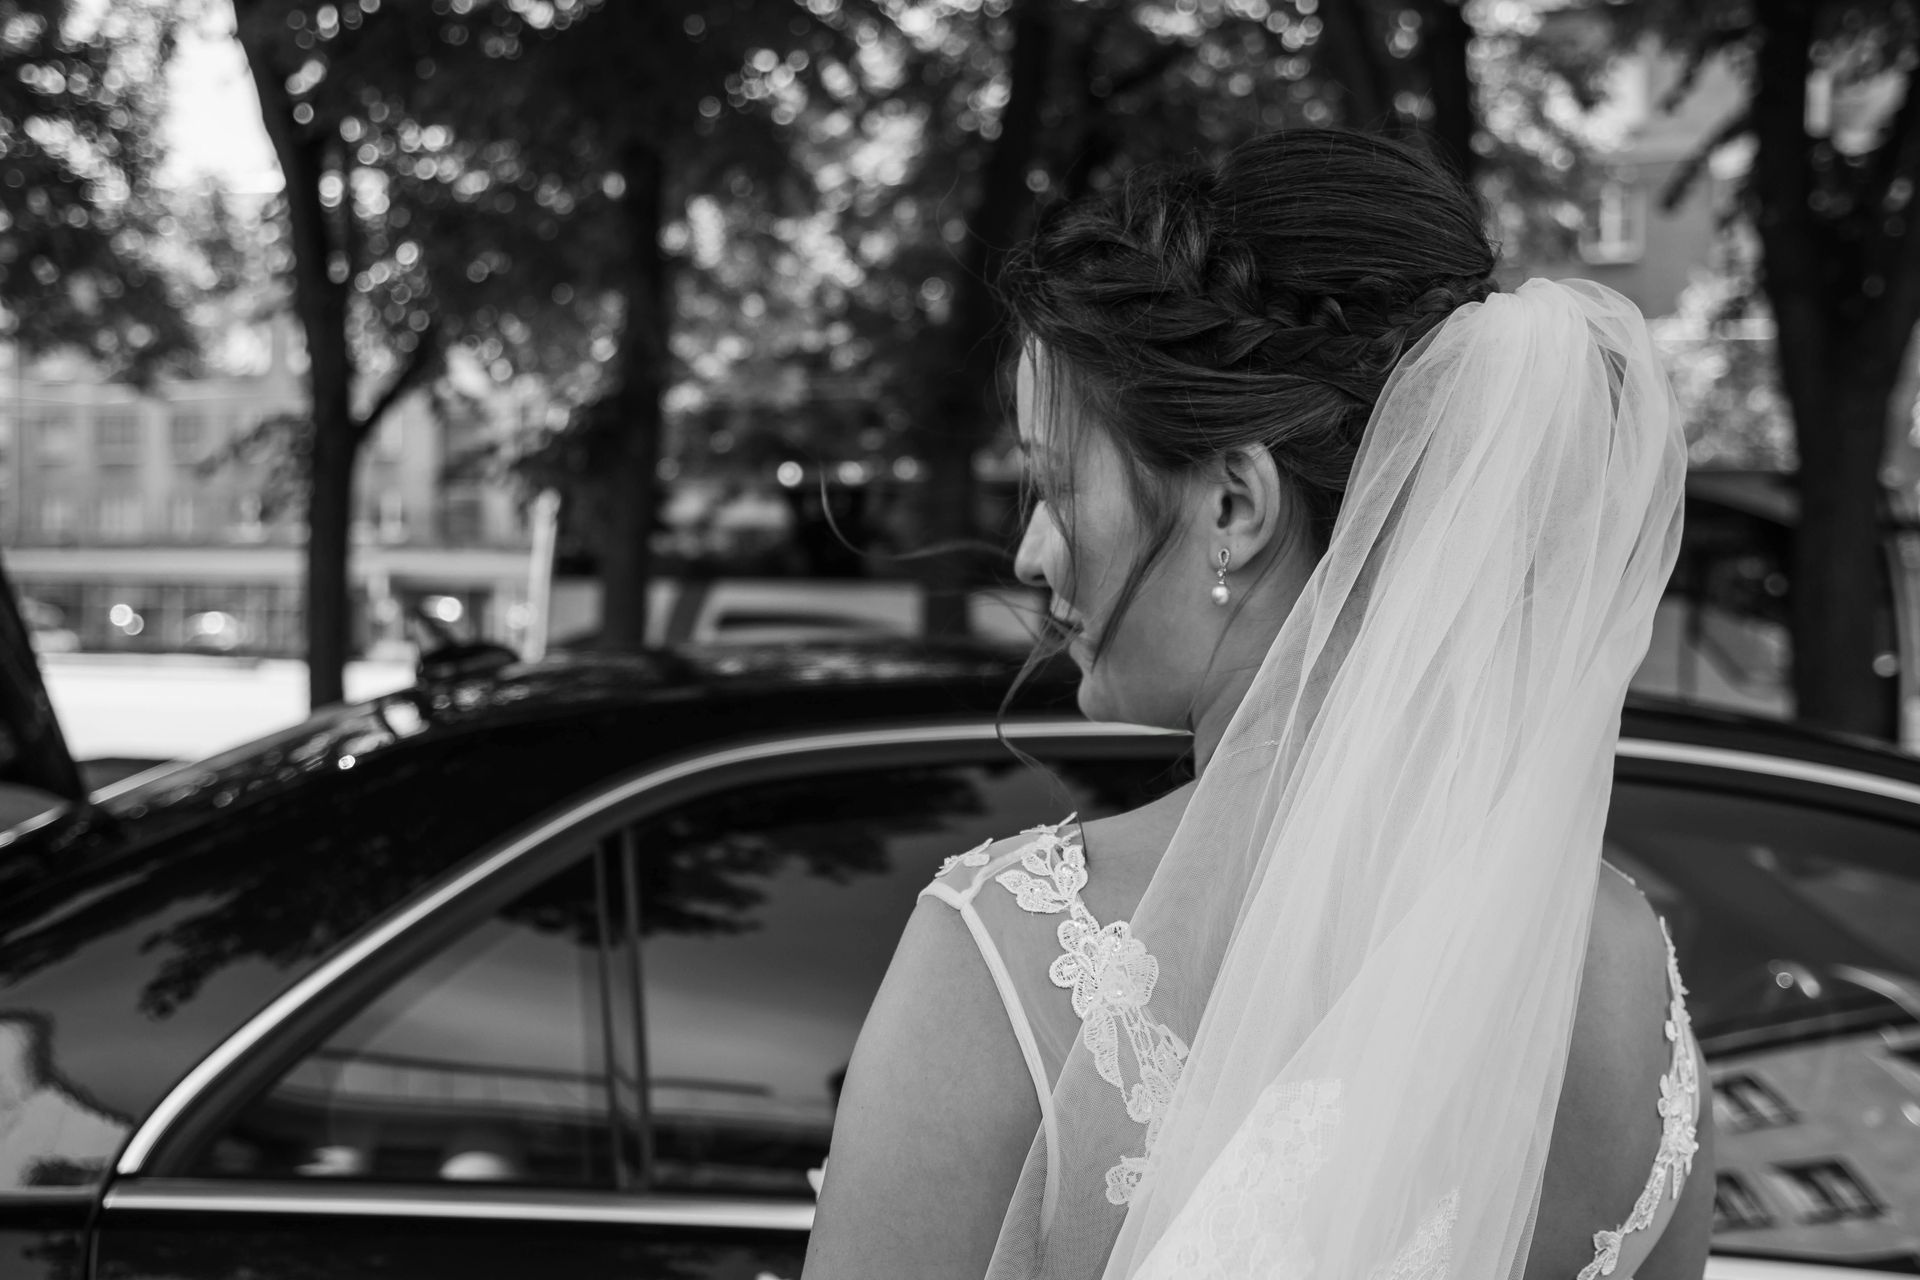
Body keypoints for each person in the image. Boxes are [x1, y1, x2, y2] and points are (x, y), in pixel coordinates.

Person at [804, 129, 1713, 1280]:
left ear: (1236, 503)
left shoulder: (1011, 958)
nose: (1033, 552)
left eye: (1055, 481)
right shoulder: (1622, 967)